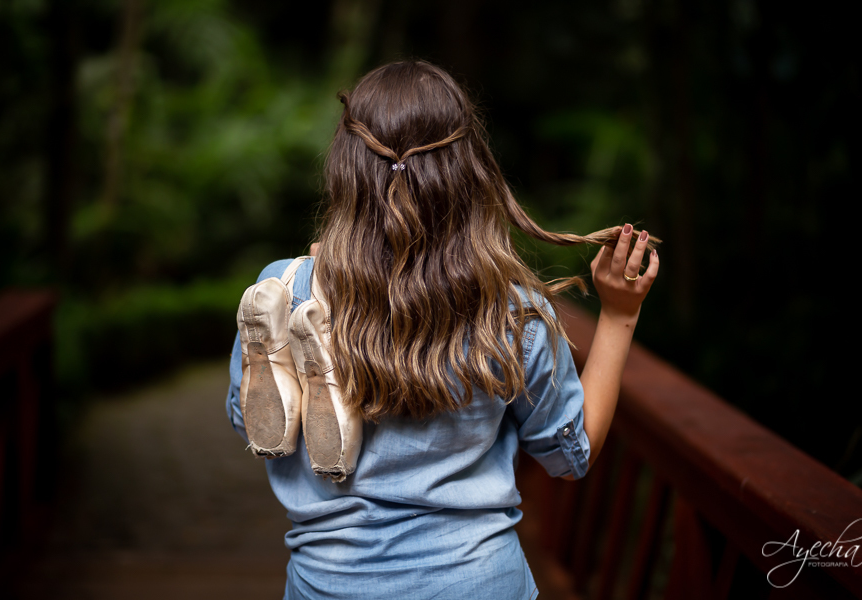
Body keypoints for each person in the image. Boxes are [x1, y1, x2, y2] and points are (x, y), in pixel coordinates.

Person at [226, 60, 659, 600]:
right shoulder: (511, 312)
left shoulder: (282, 287)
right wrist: (619, 314)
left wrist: (319, 281)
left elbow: (250, 424)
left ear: (345, 168)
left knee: (286, 352)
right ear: (468, 171)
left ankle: (321, 358)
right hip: (477, 581)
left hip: (330, 582)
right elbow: (570, 456)